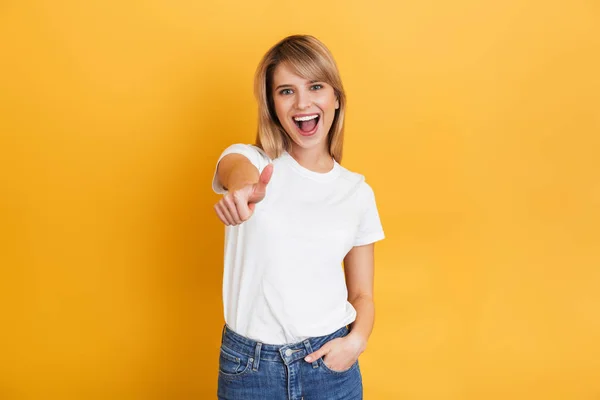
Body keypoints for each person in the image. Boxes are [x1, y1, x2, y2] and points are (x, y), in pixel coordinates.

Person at [211, 34, 385, 400]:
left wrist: (356, 342)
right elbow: (234, 171)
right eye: (286, 91)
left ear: (336, 98)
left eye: (316, 86)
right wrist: (243, 190)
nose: (302, 103)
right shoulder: (254, 161)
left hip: (329, 368)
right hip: (250, 371)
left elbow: (362, 294)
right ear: (272, 104)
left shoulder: (357, 192)